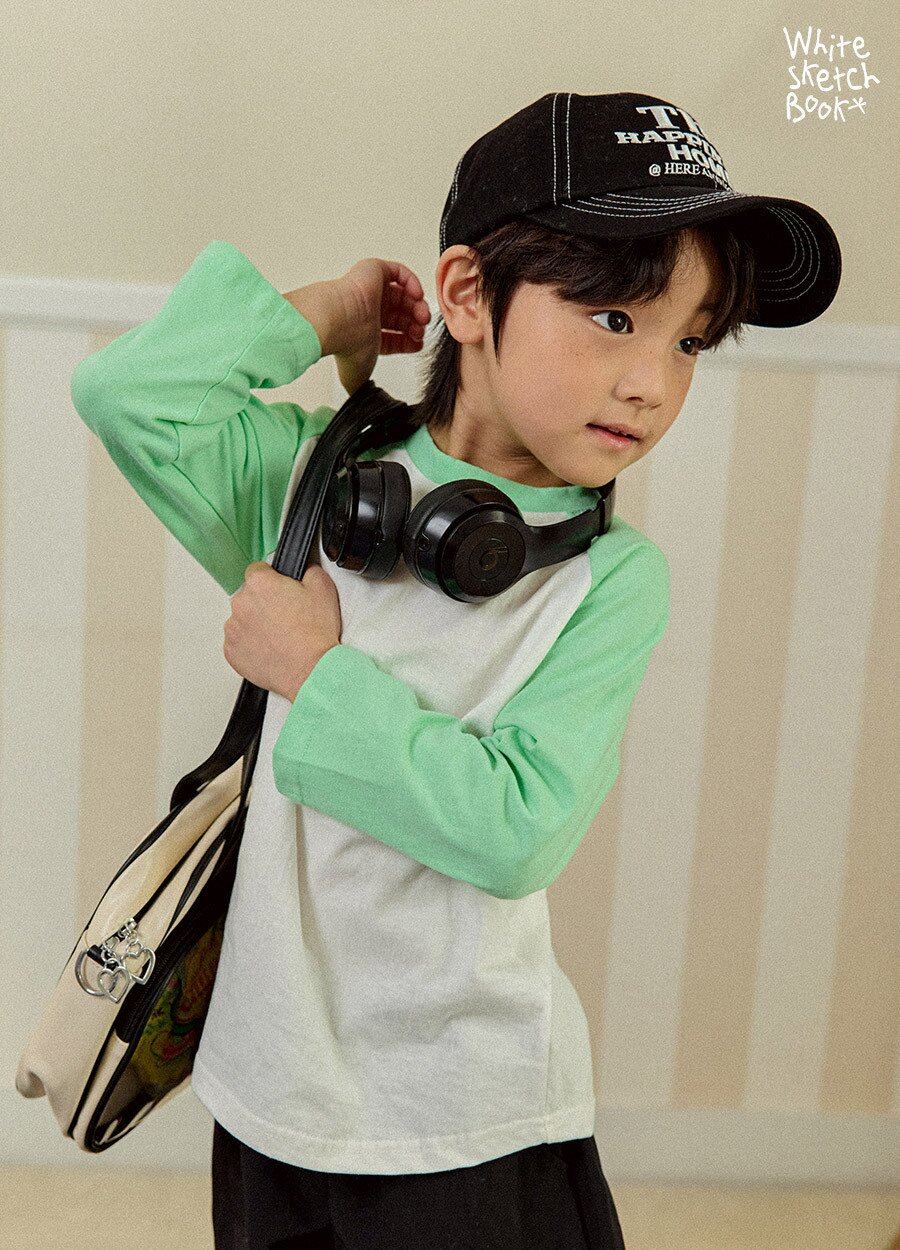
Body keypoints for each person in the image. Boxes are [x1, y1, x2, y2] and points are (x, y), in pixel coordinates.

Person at [70, 90, 840, 1249]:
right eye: (616, 318)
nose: (654, 382)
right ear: (471, 296)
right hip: (270, 1080)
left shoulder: (609, 583)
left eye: (688, 340)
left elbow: (516, 827)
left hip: (462, 1112)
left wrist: (318, 674)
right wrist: (329, 310)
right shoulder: (314, 485)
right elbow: (127, 395)